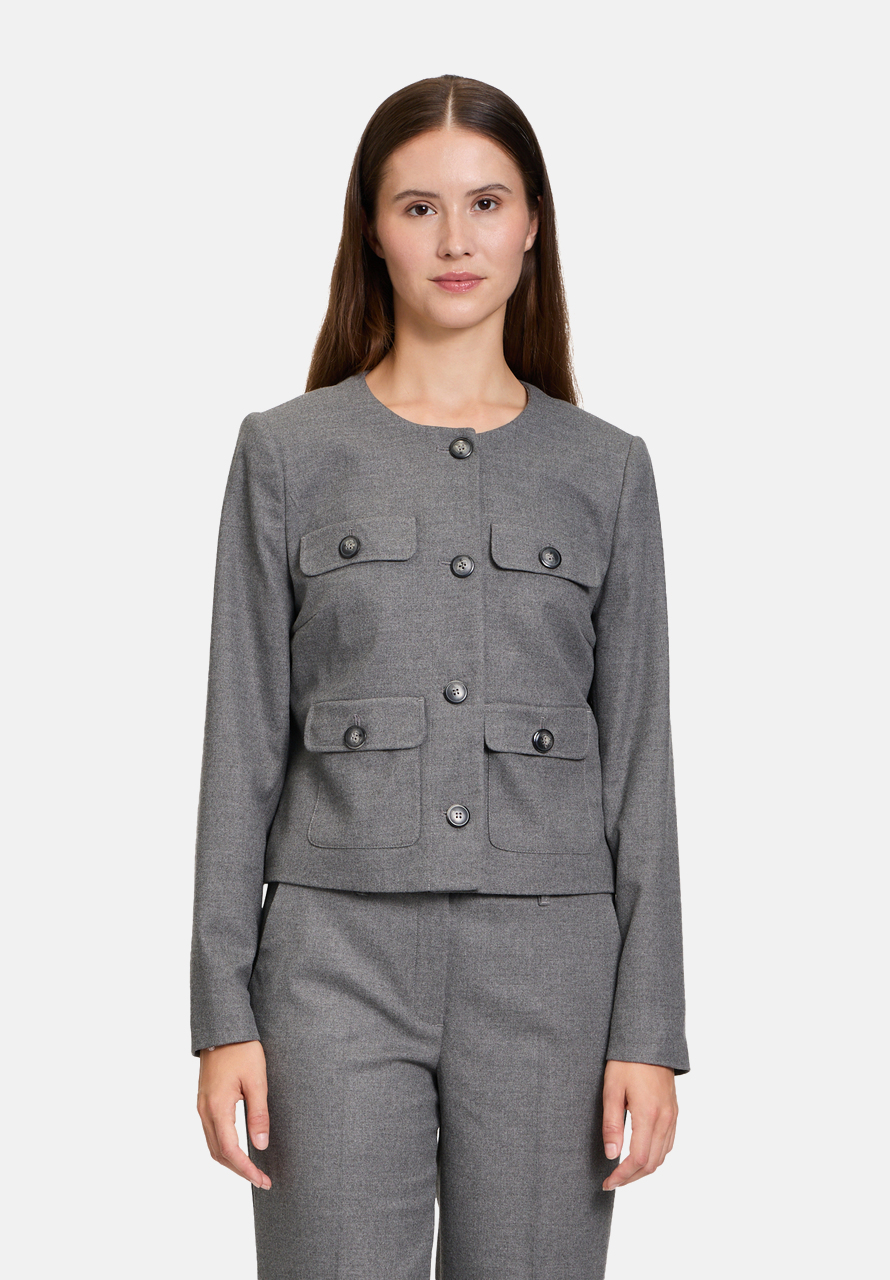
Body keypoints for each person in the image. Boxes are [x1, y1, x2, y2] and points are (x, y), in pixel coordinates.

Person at [191, 73, 690, 1280]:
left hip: (552, 973)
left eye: (485, 202)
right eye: (418, 206)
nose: (455, 239)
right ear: (372, 228)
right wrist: (221, 1012)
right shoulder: (285, 453)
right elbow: (240, 742)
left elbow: (640, 759)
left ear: (532, 225)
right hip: (329, 965)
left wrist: (648, 1027)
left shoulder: (606, 470)